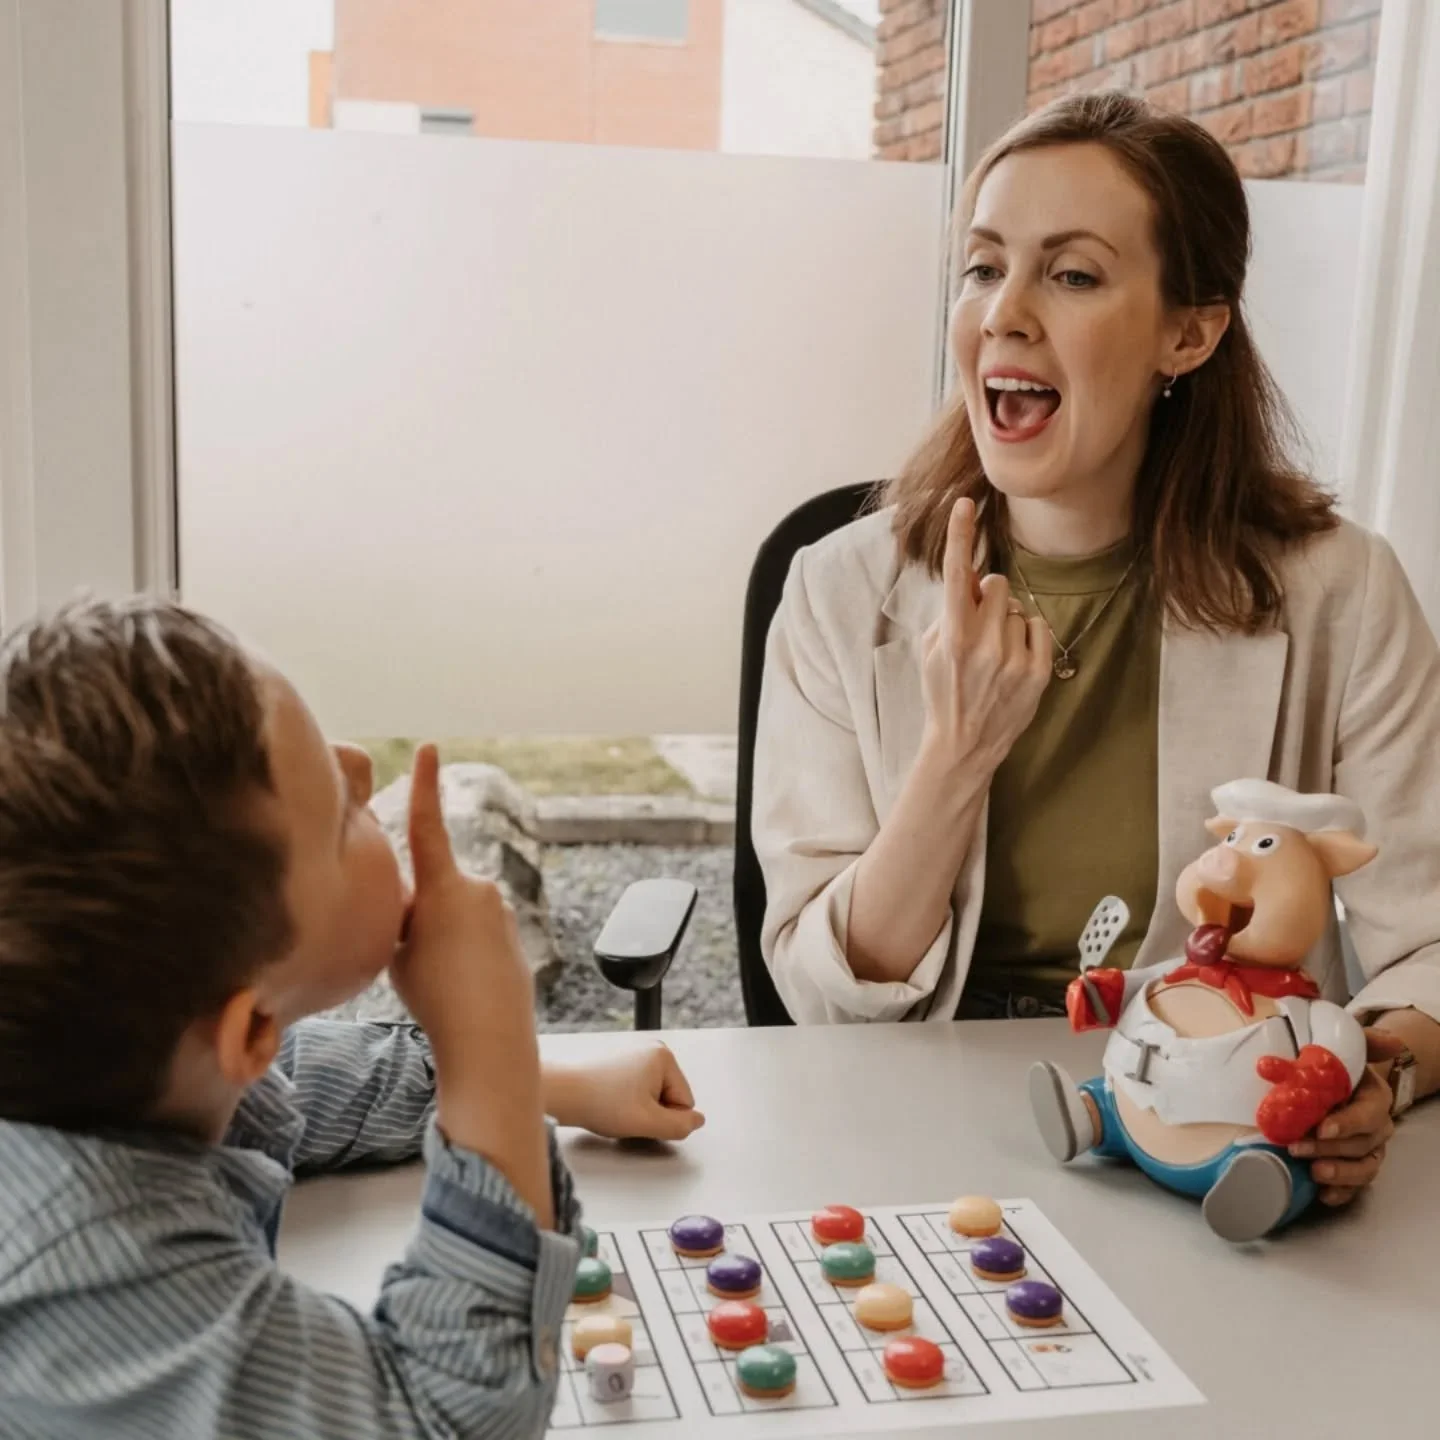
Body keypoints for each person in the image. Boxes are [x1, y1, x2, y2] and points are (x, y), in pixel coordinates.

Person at [752, 92, 1440, 1211]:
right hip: (906, 1120)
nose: (1004, 316)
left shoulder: (1342, 593)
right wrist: (956, 756)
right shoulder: (840, 591)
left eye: (1070, 275)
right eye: (982, 269)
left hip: (1210, 1129)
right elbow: (824, 998)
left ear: (1191, 331)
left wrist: (1379, 1072)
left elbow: (1430, 945)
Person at [0, 597, 701, 1439]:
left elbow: (296, 1080)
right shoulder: (89, 1286)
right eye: (338, 810)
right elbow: (441, 1416)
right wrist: (488, 1052)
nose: (363, 766)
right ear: (244, 1030)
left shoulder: (107, 1057)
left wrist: (544, 1086)